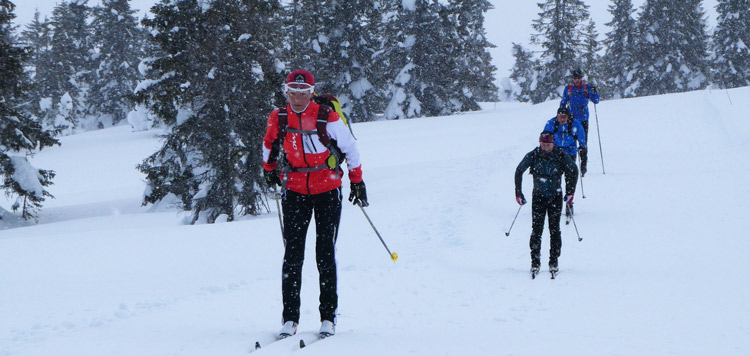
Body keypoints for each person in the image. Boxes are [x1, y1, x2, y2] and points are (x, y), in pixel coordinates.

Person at [262, 69, 368, 339]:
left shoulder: (326, 115)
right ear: (286, 91)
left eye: (303, 92)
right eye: (293, 92)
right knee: (293, 256)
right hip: (295, 191)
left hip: (327, 190)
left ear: (312, 92)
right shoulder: (279, 117)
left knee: (325, 254)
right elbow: (269, 143)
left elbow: (350, 148)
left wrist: (357, 182)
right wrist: (269, 169)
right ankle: (290, 319)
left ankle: (328, 318)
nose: (298, 97)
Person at [514, 131, 578, 277]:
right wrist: (518, 192)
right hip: (538, 197)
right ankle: (535, 262)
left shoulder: (560, 155)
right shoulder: (534, 154)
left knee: (554, 230)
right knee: (536, 230)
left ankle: (553, 261)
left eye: (548, 145)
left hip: (555, 197)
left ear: (553, 144)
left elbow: (573, 169)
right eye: (543, 144)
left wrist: (570, 191)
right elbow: (519, 170)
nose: (546, 147)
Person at [559, 68, 599, 175]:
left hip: (584, 119)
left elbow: (596, 101)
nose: (577, 80)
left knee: (583, 143)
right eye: (575, 78)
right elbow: (563, 102)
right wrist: (561, 113)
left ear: (582, 78)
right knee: (571, 142)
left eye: (578, 78)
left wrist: (595, 92)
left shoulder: (587, 87)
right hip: (571, 119)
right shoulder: (569, 89)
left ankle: (583, 166)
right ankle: (571, 164)